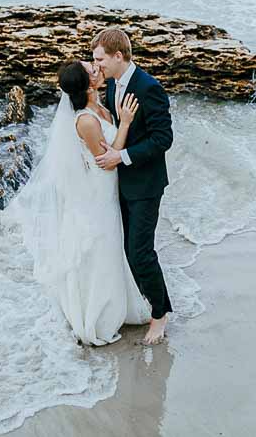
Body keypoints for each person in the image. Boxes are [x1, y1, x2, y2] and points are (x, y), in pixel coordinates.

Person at [8, 58, 151, 345]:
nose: (97, 69)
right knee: (102, 246)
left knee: (113, 244)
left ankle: (121, 301)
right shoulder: (85, 119)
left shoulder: (99, 106)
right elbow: (108, 160)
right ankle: (99, 313)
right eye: (91, 70)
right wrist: (124, 123)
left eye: (95, 65)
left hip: (107, 189)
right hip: (97, 192)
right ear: (85, 86)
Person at [92, 27, 173, 345]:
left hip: (146, 183)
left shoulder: (148, 87)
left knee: (140, 252)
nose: (96, 64)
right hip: (120, 183)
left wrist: (121, 156)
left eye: (100, 59)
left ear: (118, 56)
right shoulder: (113, 85)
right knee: (126, 248)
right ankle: (143, 301)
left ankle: (160, 315)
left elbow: (163, 139)